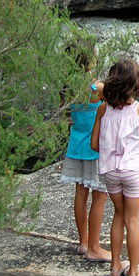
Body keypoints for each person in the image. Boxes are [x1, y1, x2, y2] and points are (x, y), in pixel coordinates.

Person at [91, 58, 139, 276]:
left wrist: (112, 154)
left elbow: (94, 144)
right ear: (135, 84)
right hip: (131, 170)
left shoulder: (103, 109)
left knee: (118, 215)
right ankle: (133, 272)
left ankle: (114, 266)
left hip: (110, 171)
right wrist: (135, 157)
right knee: (133, 220)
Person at [59, 44, 111, 263]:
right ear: (88, 61)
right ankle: (95, 247)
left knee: (80, 194)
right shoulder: (97, 88)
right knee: (100, 196)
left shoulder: (66, 88)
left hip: (76, 146)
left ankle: (83, 242)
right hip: (95, 148)